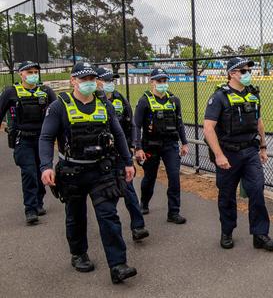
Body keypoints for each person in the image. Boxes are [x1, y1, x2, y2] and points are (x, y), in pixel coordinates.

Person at [39, 62, 137, 283]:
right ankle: (79, 254)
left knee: (109, 216)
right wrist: (45, 166)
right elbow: (45, 138)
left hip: (102, 170)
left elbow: (119, 134)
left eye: (92, 79)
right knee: (76, 216)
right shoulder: (59, 106)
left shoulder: (105, 104)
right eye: (84, 79)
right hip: (72, 172)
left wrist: (128, 162)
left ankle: (118, 264)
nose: (89, 83)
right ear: (73, 80)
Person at [203, 57, 273, 251]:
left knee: (257, 189)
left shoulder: (253, 95)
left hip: (251, 152)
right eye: (243, 71)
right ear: (232, 73)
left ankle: (260, 234)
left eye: (248, 70)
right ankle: (227, 231)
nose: (247, 74)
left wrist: (263, 147)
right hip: (228, 154)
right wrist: (219, 155)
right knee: (227, 195)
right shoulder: (219, 97)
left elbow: (259, 123)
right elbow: (208, 129)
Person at [96, 67, 149, 241]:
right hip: (98, 157)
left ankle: (138, 226)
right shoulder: (92, 101)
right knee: (105, 196)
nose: (110, 84)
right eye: (106, 80)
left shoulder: (120, 99)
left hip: (120, 153)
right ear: (97, 81)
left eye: (112, 80)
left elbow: (131, 124)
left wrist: (133, 145)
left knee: (128, 190)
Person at [0, 61, 56, 225]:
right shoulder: (11, 92)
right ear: (20, 74)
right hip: (22, 139)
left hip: (43, 140)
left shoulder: (45, 92)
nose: (33, 74)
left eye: (35, 71)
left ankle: (38, 202)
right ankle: (30, 209)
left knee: (41, 172)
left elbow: (57, 112)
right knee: (29, 172)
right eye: (29, 71)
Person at [134, 68, 189, 224]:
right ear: (152, 82)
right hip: (150, 145)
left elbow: (179, 123)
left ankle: (173, 212)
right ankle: (144, 202)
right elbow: (136, 125)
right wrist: (138, 147)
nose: (163, 84)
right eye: (159, 81)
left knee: (174, 177)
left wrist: (184, 143)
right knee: (150, 177)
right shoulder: (144, 101)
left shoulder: (174, 101)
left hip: (170, 145)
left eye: (165, 81)